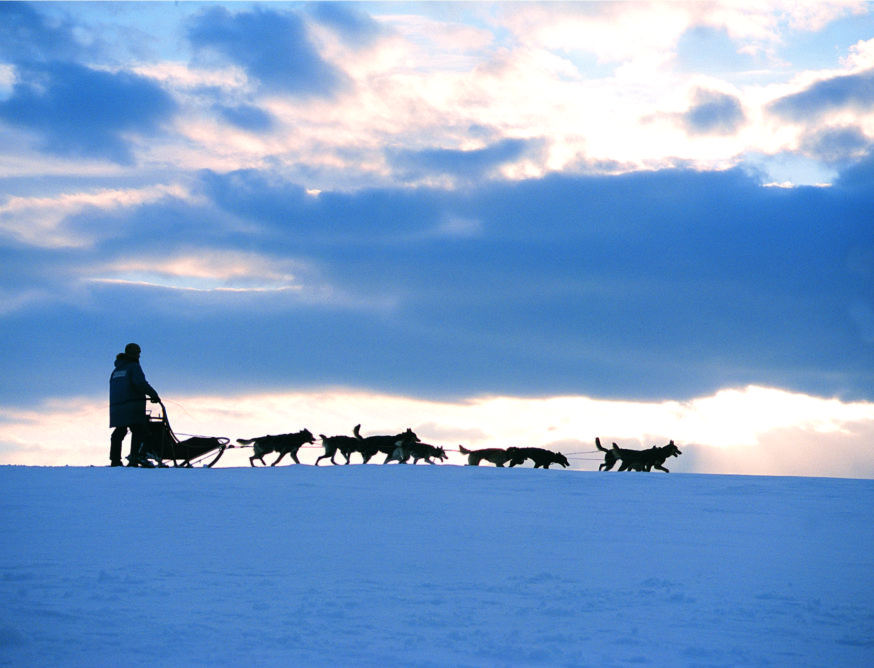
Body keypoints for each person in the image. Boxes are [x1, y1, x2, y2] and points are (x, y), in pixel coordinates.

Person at [109, 343, 160, 467]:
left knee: (119, 432)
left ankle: (115, 460)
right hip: (132, 405)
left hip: (116, 407)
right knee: (139, 430)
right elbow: (140, 383)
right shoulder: (133, 367)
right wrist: (153, 395)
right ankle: (135, 457)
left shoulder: (117, 370)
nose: (139, 356)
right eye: (137, 353)